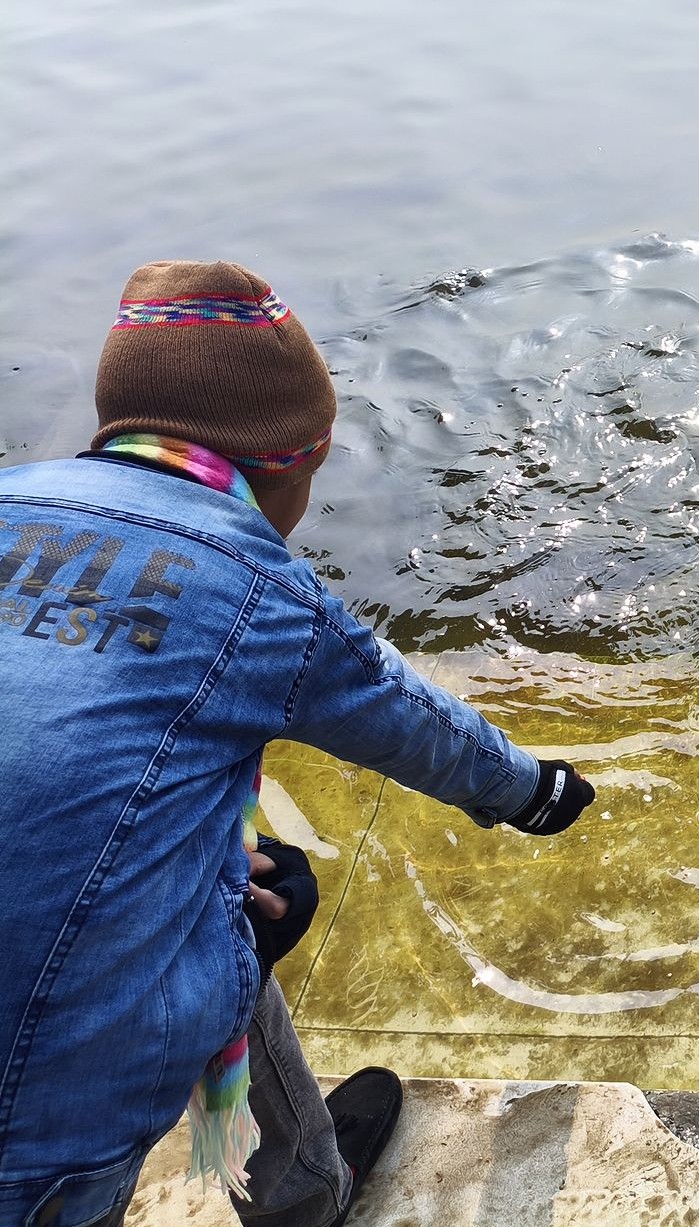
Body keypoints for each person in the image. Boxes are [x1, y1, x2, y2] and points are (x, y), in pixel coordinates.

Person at [0, 261, 598, 1227]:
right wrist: (540, 792)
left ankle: (305, 1188)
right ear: (288, 463)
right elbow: (423, 729)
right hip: (39, 1138)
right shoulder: (260, 591)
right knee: (243, 909)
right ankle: (303, 1200)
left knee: (229, 872)